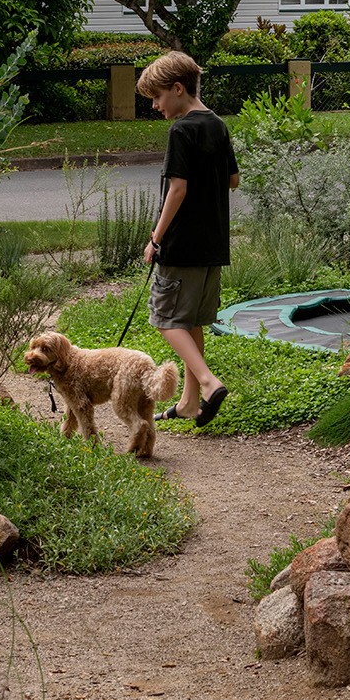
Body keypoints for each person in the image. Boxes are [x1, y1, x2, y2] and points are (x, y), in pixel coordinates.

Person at [137, 50, 238, 426]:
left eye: (157, 96)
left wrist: (156, 238)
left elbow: (176, 189)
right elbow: (233, 180)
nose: (154, 105)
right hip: (213, 245)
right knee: (191, 320)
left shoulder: (181, 130)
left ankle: (209, 384)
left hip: (182, 245)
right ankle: (188, 402)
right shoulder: (217, 124)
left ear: (178, 88)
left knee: (166, 319)